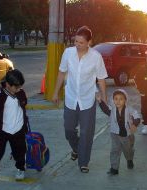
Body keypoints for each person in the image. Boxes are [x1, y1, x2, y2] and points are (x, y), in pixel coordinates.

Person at [52, 26, 107, 173]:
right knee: (69, 130)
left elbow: (101, 79)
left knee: (86, 133)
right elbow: (61, 73)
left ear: (89, 42)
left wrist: (104, 98)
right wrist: (55, 93)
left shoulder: (96, 57)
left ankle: (84, 162)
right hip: (70, 98)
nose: (77, 45)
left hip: (87, 99)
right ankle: (76, 149)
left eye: (81, 42)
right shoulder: (68, 53)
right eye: (76, 41)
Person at [0, 69, 28, 184]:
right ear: (8, 85)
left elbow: (23, 108)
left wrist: (25, 126)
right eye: (16, 87)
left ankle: (20, 169)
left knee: (20, 150)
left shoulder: (21, 93)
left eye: (20, 87)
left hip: (18, 129)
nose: (19, 89)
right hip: (2, 130)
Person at [97, 89, 140, 175]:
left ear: (125, 100)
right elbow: (105, 109)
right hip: (115, 134)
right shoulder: (112, 109)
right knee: (115, 150)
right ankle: (114, 168)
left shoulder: (129, 109)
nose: (118, 101)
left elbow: (136, 115)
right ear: (113, 100)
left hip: (127, 134)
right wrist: (100, 101)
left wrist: (134, 124)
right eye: (116, 99)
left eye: (121, 99)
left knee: (128, 150)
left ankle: (129, 159)